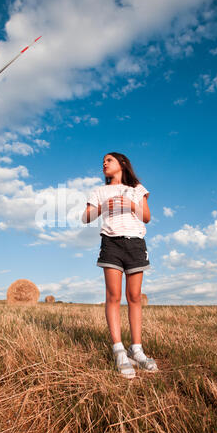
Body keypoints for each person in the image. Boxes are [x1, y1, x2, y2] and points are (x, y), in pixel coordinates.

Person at [82, 152, 158, 379]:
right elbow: (85, 217)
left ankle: (137, 350)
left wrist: (131, 204)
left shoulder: (138, 189)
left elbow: (147, 217)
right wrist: (103, 207)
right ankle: (119, 351)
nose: (104, 164)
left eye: (109, 160)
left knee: (134, 296)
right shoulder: (99, 191)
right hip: (111, 243)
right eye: (103, 161)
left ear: (122, 164)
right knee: (113, 295)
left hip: (135, 244)